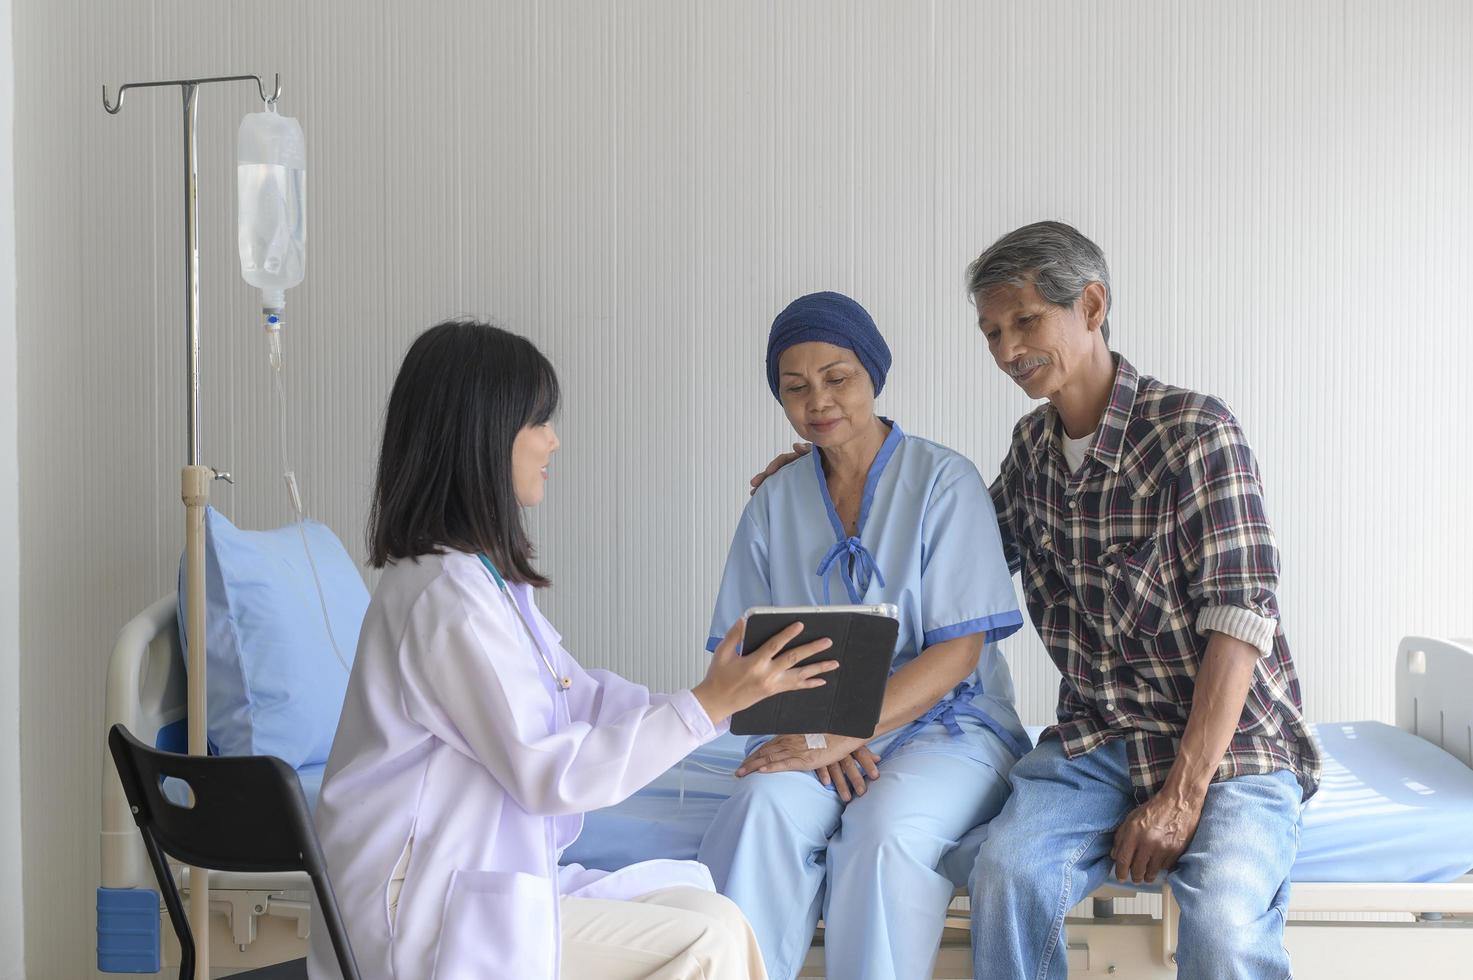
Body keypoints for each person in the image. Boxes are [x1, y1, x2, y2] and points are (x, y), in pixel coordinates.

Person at [308, 319, 840, 980]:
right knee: (700, 946)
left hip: (478, 879)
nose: (553, 441)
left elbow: (577, 697)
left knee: (718, 915)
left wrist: (730, 698)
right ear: (482, 435)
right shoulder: (445, 600)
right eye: (538, 422)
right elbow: (549, 774)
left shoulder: (481, 582)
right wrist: (704, 708)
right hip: (417, 910)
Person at [964, 221, 1320, 979]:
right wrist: (846, 467)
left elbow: (1237, 624)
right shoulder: (1030, 451)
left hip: (1230, 751)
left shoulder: (1195, 433)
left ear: (1090, 306)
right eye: (991, 331)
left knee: (1223, 924)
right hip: (1096, 742)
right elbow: (955, 556)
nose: (1004, 350)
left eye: (1024, 321)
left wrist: (1180, 798)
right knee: (1005, 877)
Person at [698, 292, 1027, 980]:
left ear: (873, 374)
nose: (817, 400)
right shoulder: (773, 501)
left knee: (882, 836)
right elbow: (746, 656)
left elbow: (957, 651)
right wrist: (819, 732)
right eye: (795, 387)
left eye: (837, 377)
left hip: (948, 730)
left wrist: (846, 731)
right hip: (820, 731)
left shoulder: (944, 482)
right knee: (759, 810)